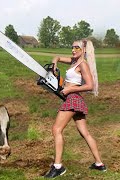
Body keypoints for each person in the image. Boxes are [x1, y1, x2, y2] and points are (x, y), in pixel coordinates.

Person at [44, 39, 106, 178]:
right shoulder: (74, 61)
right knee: (85, 133)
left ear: (83, 50)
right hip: (75, 100)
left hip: (73, 99)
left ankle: (58, 166)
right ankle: (99, 163)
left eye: (76, 48)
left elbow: (90, 85)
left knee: (56, 129)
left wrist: (71, 88)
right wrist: (54, 65)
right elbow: (57, 57)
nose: (73, 50)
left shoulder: (83, 64)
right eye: (72, 47)